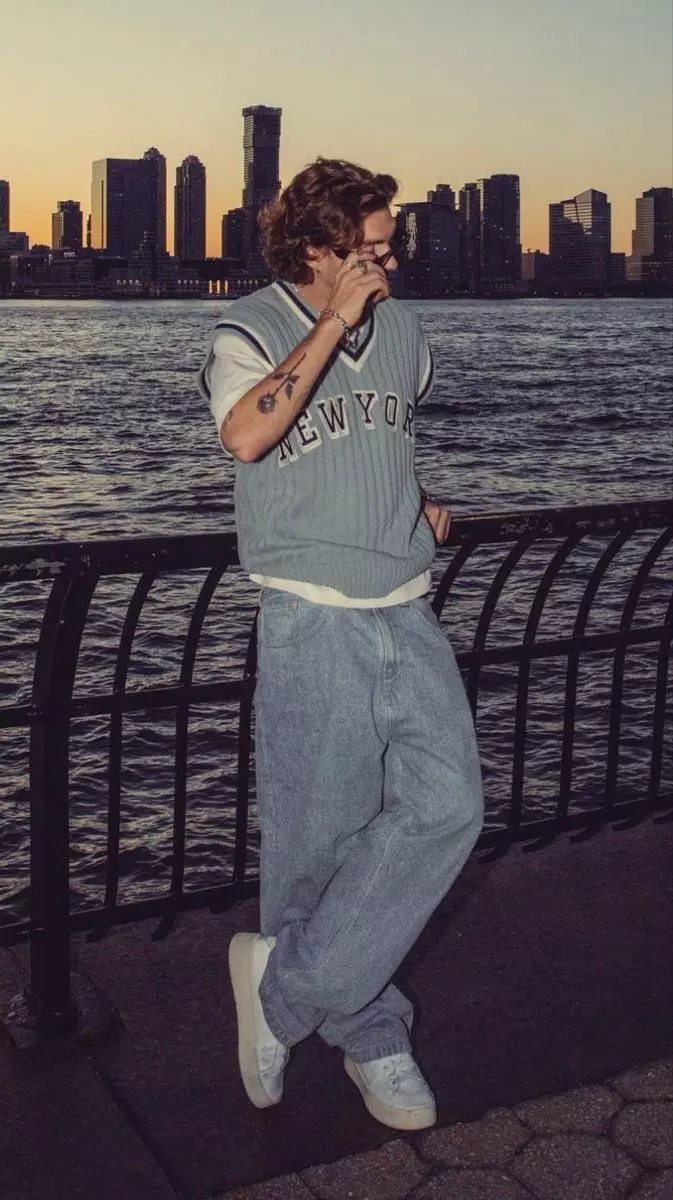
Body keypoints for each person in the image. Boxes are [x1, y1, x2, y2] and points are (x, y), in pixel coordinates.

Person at [199, 158, 484, 1132]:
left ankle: (279, 994)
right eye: (371, 249)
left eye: (390, 246)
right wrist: (329, 324)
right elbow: (246, 438)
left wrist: (417, 498)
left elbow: (381, 438)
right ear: (318, 250)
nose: (389, 264)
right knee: (317, 845)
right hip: (312, 615)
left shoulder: (404, 333)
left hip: (406, 603)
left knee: (448, 807)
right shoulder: (248, 328)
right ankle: (368, 1032)